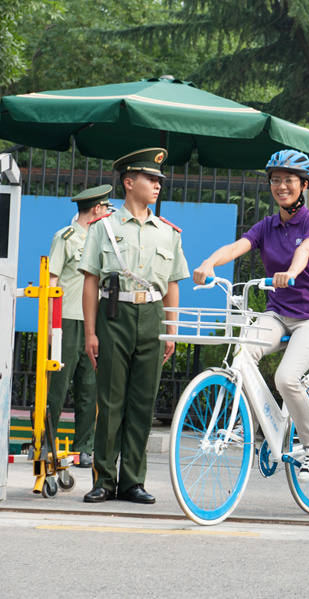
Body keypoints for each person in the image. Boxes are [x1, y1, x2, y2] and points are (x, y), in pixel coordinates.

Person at [193, 149, 309, 482]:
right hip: (279, 312)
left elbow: (306, 250)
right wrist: (209, 264)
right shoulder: (267, 226)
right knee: (242, 355)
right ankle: (252, 419)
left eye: (288, 180)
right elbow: (236, 246)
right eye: (275, 180)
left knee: (286, 378)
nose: (281, 186)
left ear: (303, 185)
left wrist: (292, 272)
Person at [79, 148, 189, 504]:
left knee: (143, 403)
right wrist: (91, 333)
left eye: (159, 181)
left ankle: (132, 481)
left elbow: (172, 284)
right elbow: (91, 282)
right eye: (151, 179)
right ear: (129, 183)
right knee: (110, 401)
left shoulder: (168, 233)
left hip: (152, 318)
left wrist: (171, 330)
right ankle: (104, 479)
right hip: (114, 315)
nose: (157, 186)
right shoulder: (104, 228)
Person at [46, 185, 113, 469]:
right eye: (107, 208)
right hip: (67, 321)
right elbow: (51, 280)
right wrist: (51, 324)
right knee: (58, 386)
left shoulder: (105, 241)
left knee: (89, 386)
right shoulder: (66, 237)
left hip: (94, 323)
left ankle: (83, 447)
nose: (110, 213)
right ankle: (46, 442)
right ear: (96, 209)